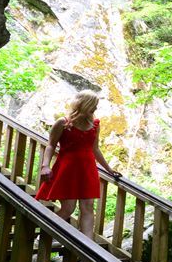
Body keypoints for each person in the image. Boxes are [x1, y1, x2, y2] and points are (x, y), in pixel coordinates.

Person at [36, 90, 121, 238]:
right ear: (84, 104)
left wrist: (109, 169)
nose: (95, 109)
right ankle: (43, 234)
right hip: (67, 169)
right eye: (93, 105)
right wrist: (45, 166)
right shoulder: (63, 122)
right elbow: (50, 145)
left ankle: (87, 246)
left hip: (87, 169)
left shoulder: (95, 124)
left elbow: (95, 149)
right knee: (68, 208)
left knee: (88, 208)